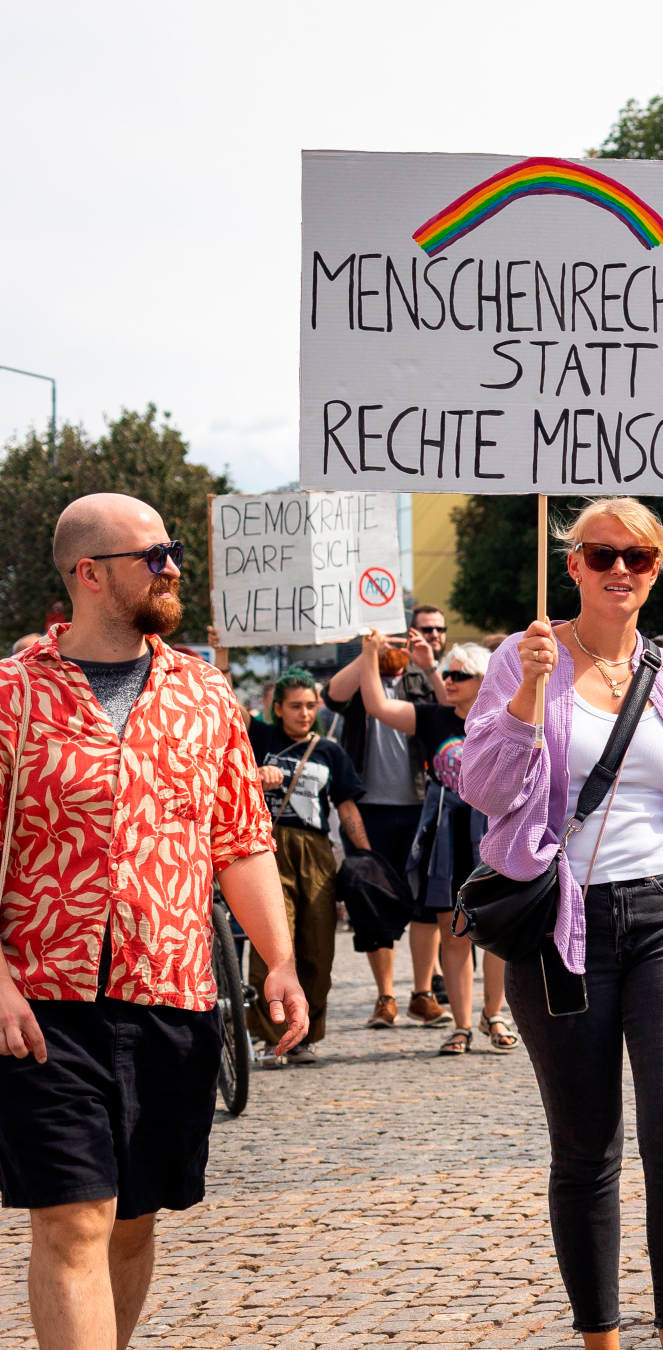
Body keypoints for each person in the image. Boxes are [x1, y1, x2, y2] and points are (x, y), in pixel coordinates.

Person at [0, 493, 306, 1349]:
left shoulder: (203, 695)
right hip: (41, 1002)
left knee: (134, 1217)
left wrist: (278, 961)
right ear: (90, 574)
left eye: (172, 552)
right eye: (155, 555)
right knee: (73, 1221)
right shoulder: (9, 696)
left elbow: (241, 843)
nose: (174, 567)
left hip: (170, 988)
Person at [457, 497, 663, 1350]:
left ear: (658, 572)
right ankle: (600, 1340)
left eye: (640, 558)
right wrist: (528, 697)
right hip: (561, 925)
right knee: (586, 1148)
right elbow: (484, 788)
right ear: (572, 564)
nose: (621, 569)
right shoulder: (522, 656)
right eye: (602, 554)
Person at [352, 636, 515, 1055]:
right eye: (447, 673)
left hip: (492, 831)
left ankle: (493, 1014)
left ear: (484, 680)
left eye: (460, 674)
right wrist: (370, 654)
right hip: (446, 833)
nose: (449, 680)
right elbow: (376, 706)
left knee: (497, 931)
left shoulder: (506, 718)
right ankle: (461, 1024)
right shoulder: (432, 717)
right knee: (453, 931)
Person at [246, 668, 373, 1067]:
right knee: (271, 944)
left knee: (319, 947)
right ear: (277, 708)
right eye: (295, 706)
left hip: (316, 851)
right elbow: (228, 699)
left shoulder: (330, 751)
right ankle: (268, 1037)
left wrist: (365, 856)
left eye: (310, 706)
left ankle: (304, 1035)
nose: (304, 713)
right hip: (268, 845)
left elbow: (347, 806)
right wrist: (224, 651)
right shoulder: (260, 739)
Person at [327, 603, 444, 1028]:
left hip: (421, 805)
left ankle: (423, 992)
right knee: (372, 899)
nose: (394, 645)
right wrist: (367, 653)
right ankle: (385, 997)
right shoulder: (364, 677)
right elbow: (332, 695)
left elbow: (453, 711)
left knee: (426, 903)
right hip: (369, 809)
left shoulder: (422, 679)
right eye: (388, 637)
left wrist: (428, 666)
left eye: (399, 638)